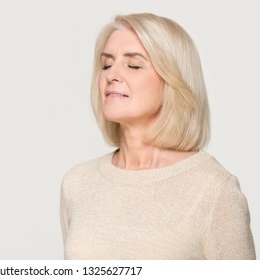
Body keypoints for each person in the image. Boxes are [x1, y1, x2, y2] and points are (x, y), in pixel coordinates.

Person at [60, 13, 256, 260]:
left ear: (172, 80)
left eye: (133, 65)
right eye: (107, 64)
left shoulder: (214, 190)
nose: (111, 75)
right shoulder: (77, 183)